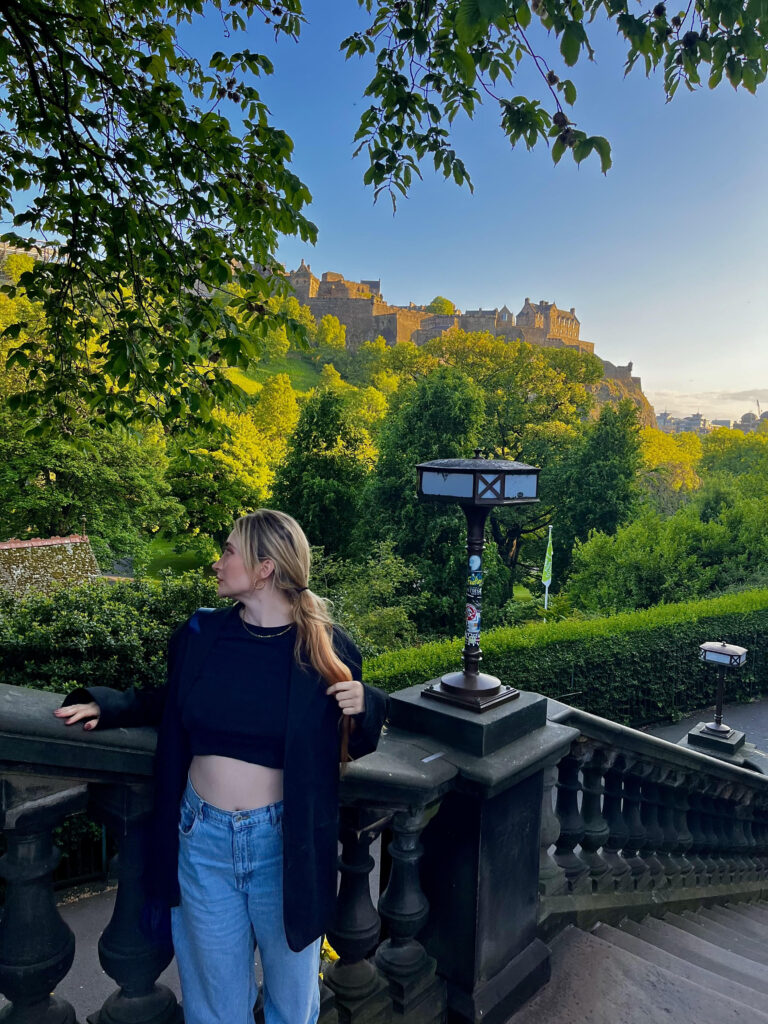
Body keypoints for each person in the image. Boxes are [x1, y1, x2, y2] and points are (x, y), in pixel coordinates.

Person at [54, 509, 388, 1024]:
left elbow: (357, 741)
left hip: (287, 844)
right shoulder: (201, 633)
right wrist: (110, 705)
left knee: (292, 1004)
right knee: (213, 1006)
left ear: (265, 568)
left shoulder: (325, 647)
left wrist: (369, 703)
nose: (217, 561)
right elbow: (171, 700)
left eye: (229, 550)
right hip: (201, 838)